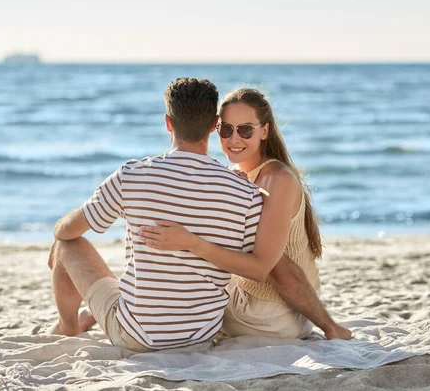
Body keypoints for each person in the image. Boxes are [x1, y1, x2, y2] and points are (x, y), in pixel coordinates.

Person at [47, 78, 271, 352]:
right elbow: (252, 266)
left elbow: (70, 230)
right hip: (199, 337)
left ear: (168, 122)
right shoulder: (246, 192)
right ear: (215, 125)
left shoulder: (132, 175)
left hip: (138, 337)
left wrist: (58, 237)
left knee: (69, 244)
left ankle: (68, 327)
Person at [138, 88, 352, 340]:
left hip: (271, 315)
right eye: (226, 129)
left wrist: (192, 242)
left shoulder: (277, 180)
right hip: (273, 308)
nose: (234, 138)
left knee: (185, 264)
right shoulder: (240, 177)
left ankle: (118, 314)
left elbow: (268, 268)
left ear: (264, 131)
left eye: (245, 129)